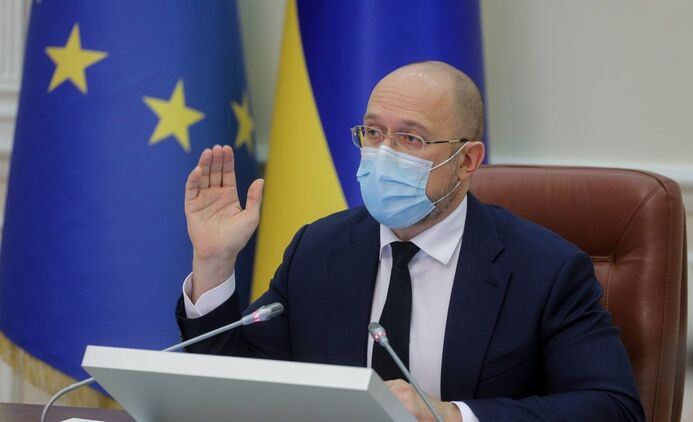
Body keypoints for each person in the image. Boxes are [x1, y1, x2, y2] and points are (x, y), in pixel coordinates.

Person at [176, 61, 645, 421]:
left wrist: (451, 416)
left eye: (411, 139)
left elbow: (613, 408)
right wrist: (214, 263)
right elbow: (234, 391)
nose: (383, 153)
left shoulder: (544, 269)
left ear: (467, 161)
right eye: (373, 132)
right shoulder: (318, 249)